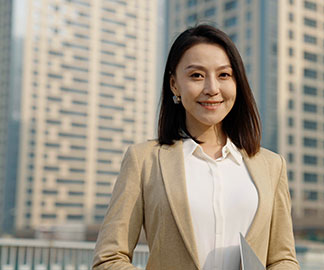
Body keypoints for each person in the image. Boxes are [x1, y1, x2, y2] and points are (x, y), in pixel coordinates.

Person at [92, 24, 299, 270]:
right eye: (197, 76)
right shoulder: (143, 160)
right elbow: (109, 259)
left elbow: (282, 259)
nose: (212, 89)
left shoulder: (272, 166)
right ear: (174, 84)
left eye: (224, 75)